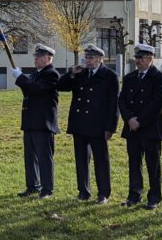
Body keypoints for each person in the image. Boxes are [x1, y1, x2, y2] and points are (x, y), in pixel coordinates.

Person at [57, 44, 119, 204]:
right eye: (87, 58)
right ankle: (84, 191)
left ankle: (103, 193)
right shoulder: (80, 73)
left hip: (98, 125)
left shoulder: (109, 75)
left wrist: (110, 127)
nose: (88, 61)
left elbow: (113, 104)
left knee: (101, 160)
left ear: (100, 59)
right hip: (80, 123)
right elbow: (60, 86)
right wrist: (71, 73)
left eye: (92, 58)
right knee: (81, 159)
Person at [118, 43, 162, 208]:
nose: (138, 61)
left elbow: (158, 103)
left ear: (150, 59)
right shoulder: (130, 77)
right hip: (132, 128)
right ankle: (134, 195)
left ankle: (154, 198)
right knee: (134, 163)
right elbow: (122, 101)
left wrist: (140, 121)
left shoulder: (158, 77)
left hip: (150, 128)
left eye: (141, 58)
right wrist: (129, 119)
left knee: (153, 165)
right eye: (136, 58)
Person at [12, 44, 60, 199]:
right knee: (30, 157)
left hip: (43, 123)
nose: (36, 59)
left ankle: (47, 189)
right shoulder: (36, 74)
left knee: (44, 158)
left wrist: (20, 77)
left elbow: (36, 89)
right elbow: (28, 89)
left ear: (48, 58)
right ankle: (32, 186)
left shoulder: (51, 74)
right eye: (35, 56)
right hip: (31, 121)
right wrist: (22, 79)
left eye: (39, 56)